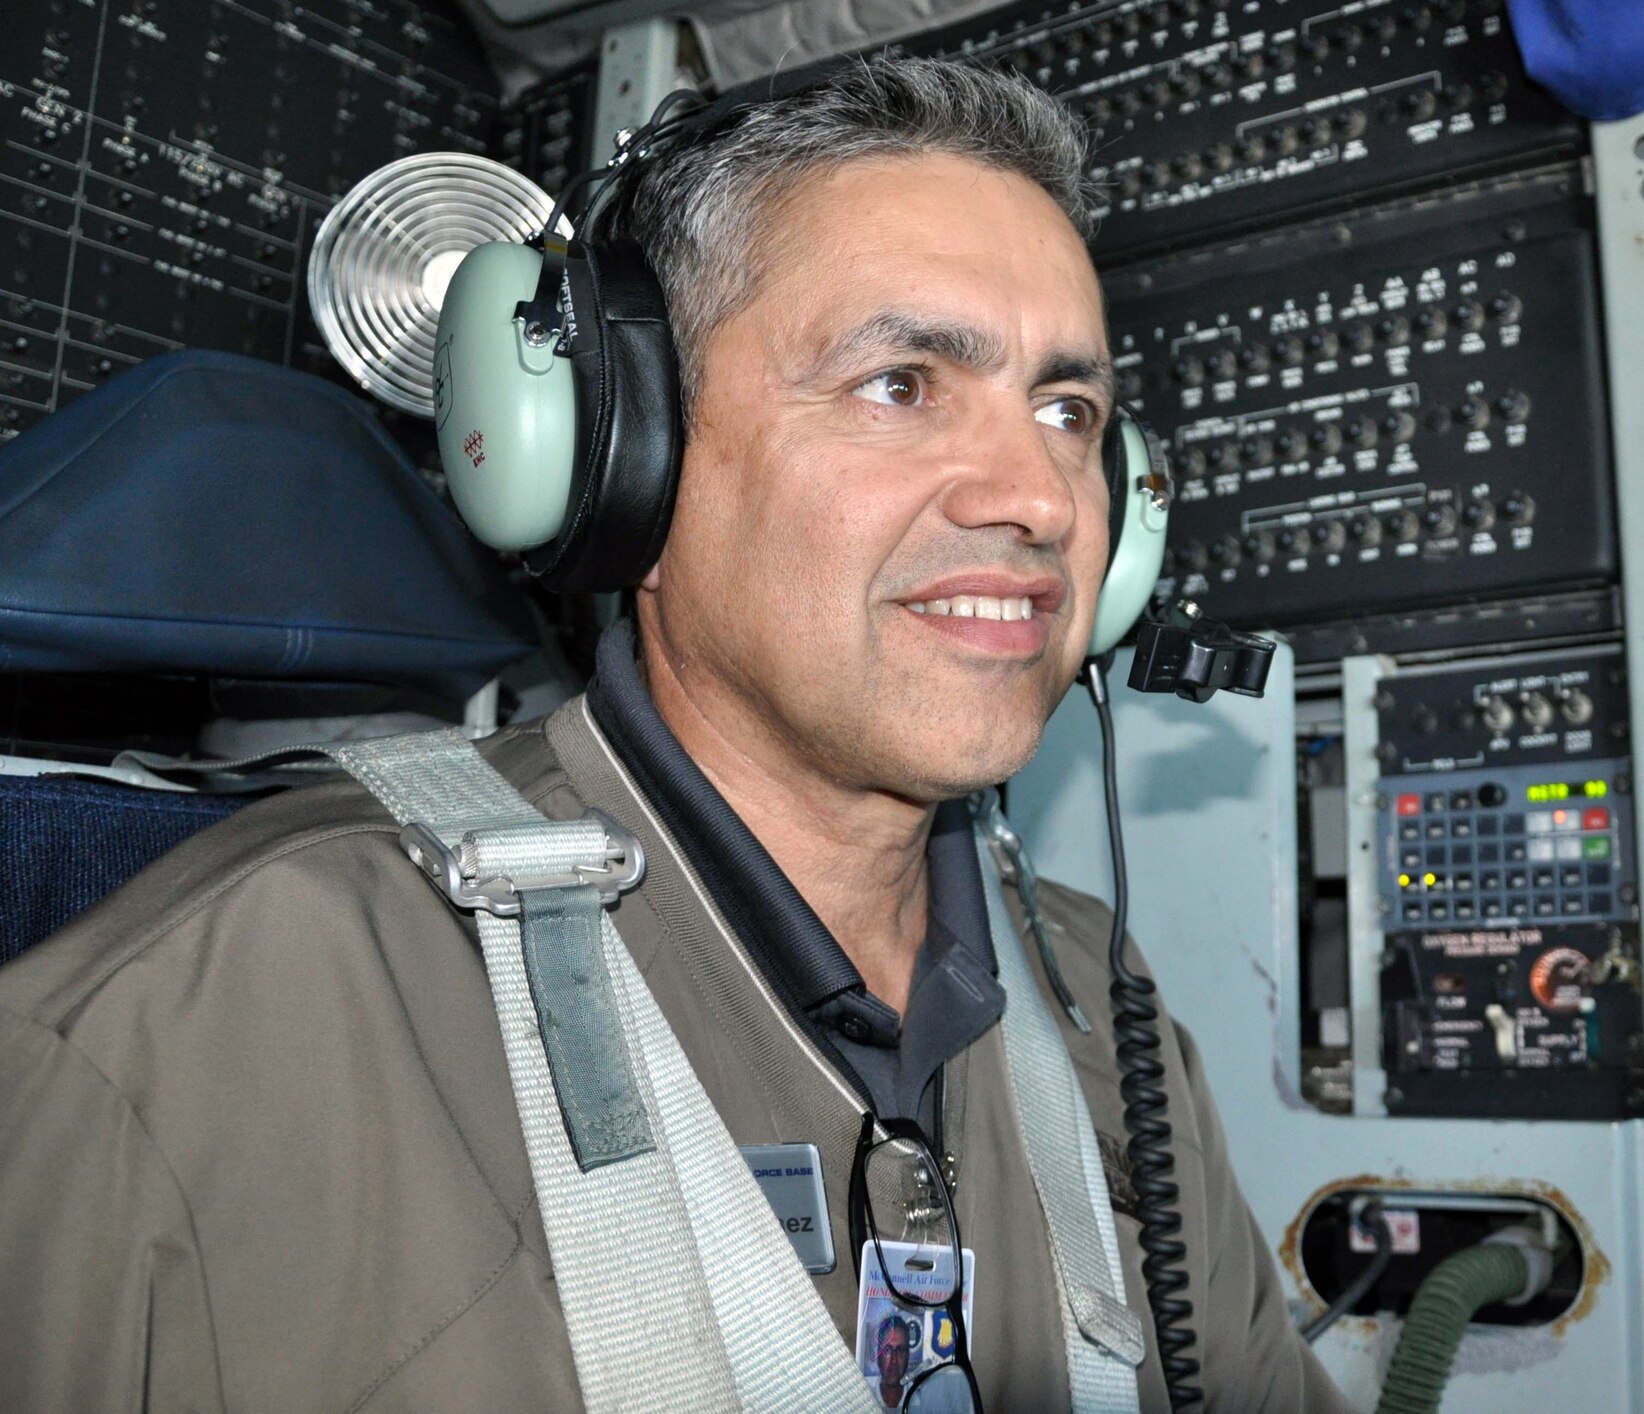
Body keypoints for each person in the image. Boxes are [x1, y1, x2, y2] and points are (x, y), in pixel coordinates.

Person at [0, 56, 1352, 1412]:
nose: (1041, 499)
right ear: (619, 452)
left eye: (1069, 413)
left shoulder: (1106, 1023)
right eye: (901, 384)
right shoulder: (206, 1023)